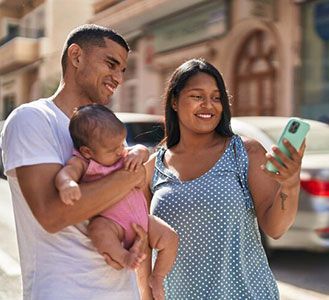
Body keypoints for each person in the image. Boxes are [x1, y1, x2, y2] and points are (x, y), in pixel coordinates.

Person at [0, 24, 149, 300]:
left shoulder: (107, 130)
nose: (118, 78)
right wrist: (131, 176)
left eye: (122, 70)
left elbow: (134, 204)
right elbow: (53, 215)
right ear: (77, 56)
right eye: (111, 63)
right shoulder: (32, 119)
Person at [143, 58, 306, 299]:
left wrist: (290, 185)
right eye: (197, 96)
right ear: (174, 101)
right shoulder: (152, 167)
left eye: (217, 97)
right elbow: (143, 250)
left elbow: (276, 228)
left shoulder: (244, 153)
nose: (209, 105)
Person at [55, 104, 178, 299]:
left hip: (142, 220)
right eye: (113, 149)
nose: (121, 151)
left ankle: (158, 277)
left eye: (122, 144)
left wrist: (139, 153)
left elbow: (142, 149)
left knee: (170, 238)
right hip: (114, 224)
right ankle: (123, 257)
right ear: (88, 151)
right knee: (97, 229)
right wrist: (67, 184)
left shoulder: (124, 153)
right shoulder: (83, 162)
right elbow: (67, 172)